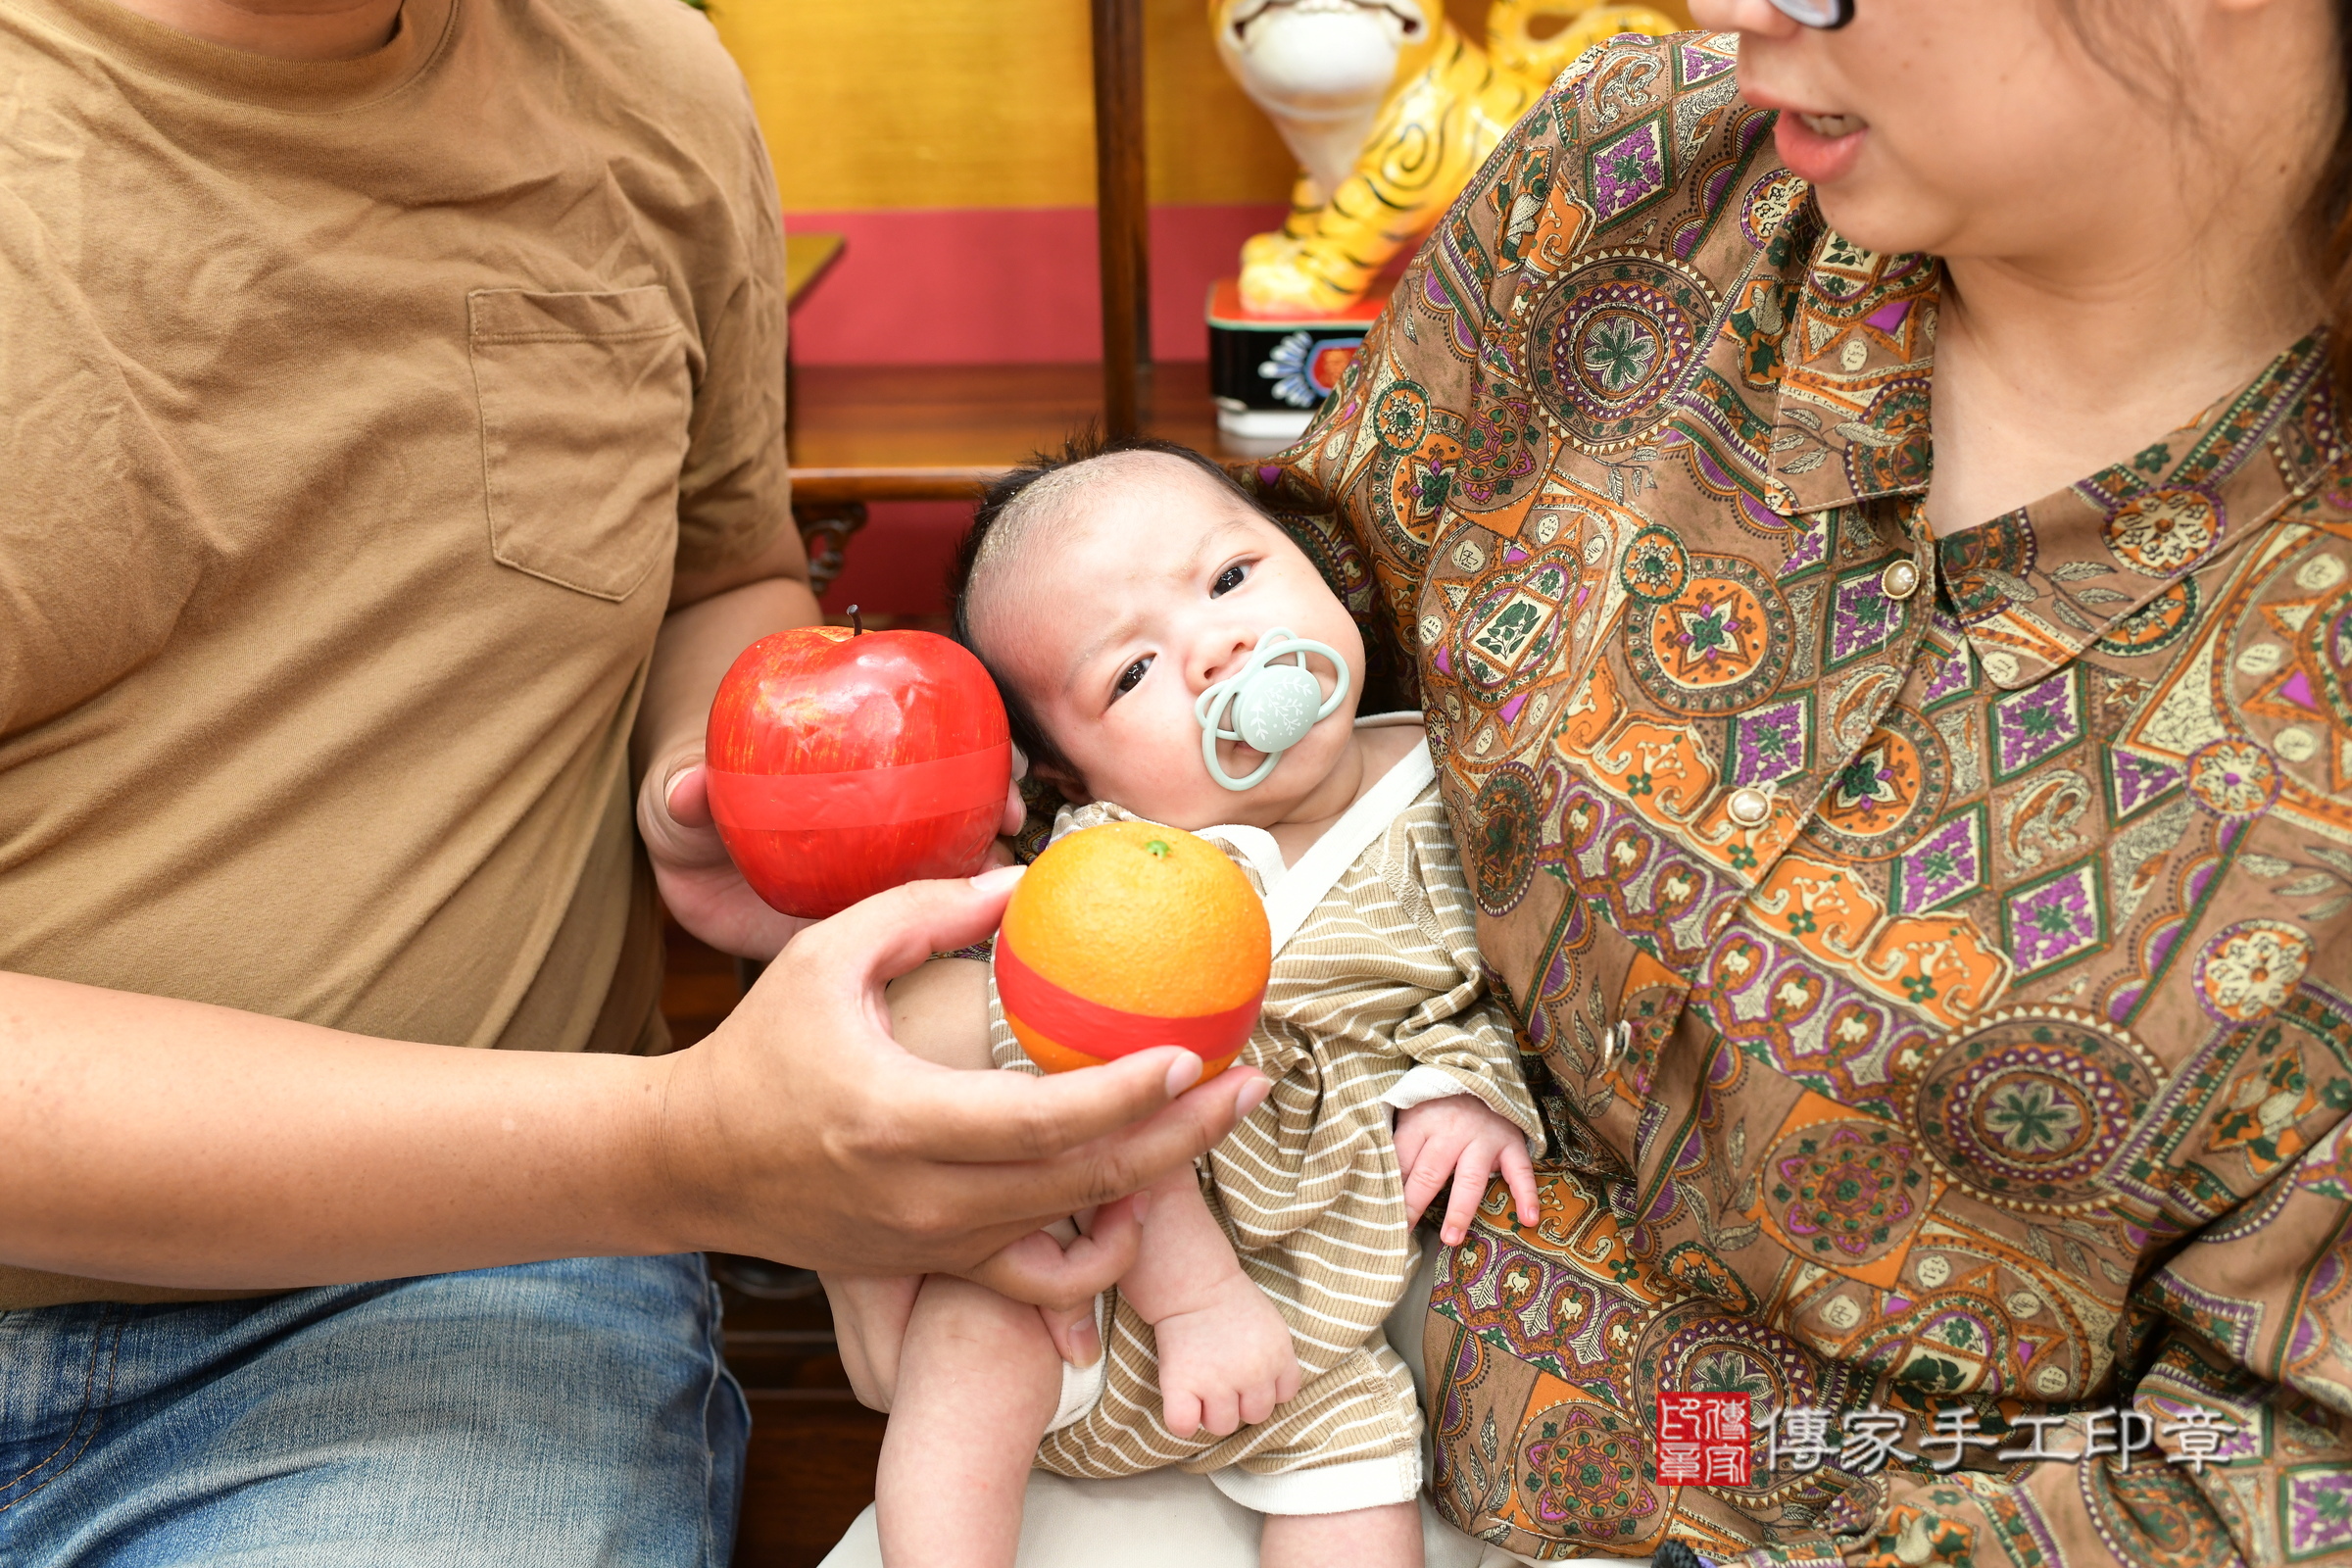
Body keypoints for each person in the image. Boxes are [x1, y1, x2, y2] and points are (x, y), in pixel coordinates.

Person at [827, 0, 2352, 1564]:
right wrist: (936, 1037)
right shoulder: (1639, 181)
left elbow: (2285, 1482)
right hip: (1220, 1353)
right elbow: (1329, 639)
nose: (1726, 6)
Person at [0, 0, 1265, 1562]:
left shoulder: (649, 78)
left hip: (467, 1284)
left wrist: (720, 765)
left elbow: (719, 565)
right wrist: (688, 1151)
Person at [838, 439, 1544, 1568]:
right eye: (1130, 674)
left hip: (1315, 1311)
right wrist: (1195, 1295)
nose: (1218, 650)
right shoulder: (1114, 864)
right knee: (970, 1350)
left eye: (1229, 580)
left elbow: (1494, 980)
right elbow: (1085, 1087)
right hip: (1097, 1278)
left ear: (1315, 564)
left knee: (1364, 1479)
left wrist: (1466, 1093)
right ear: (1071, 774)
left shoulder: (1445, 781)